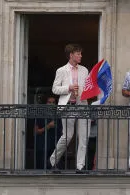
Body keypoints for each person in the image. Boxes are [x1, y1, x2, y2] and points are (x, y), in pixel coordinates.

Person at [49, 44, 90, 173]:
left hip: (82, 105)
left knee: (84, 137)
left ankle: (80, 166)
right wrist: (69, 88)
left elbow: (88, 87)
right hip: (68, 107)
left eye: (81, 53)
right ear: (71, 55)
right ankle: (53, 161)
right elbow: (54, 89)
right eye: (78, 53)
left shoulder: (84, 70)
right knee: (67, 136)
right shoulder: (61, 70)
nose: (81, 56)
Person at [32, 94, 59, 170]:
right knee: (41, 168)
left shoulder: (58, 116)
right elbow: (35, 132)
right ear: (45, 104)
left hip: (55, 147)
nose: (51, 104)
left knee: (53, 169)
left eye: (53, 102)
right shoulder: (40, 115)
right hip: (42, 146)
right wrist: (48, 126)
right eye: (49, 102)